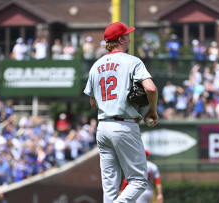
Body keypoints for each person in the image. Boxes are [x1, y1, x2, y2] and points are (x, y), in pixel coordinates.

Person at [83, 22, 158, 203]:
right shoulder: (132, 61)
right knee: (139, 181)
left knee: (110, 187)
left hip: (103, 127)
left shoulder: (96, 65)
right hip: (124, 124)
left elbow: (93, 102)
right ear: (121, 39)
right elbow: (151, 89)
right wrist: (152, 111)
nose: (129, 37)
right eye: (127, 35)